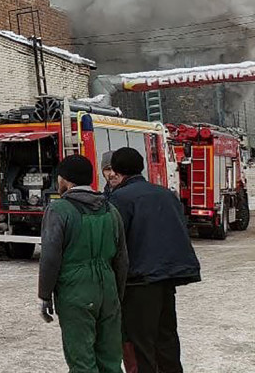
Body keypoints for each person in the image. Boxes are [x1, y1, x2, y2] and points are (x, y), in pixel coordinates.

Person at [108, 147, 201, 373]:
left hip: (138, 282)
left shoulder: (119, 198)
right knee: (166, 339)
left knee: (140, 346)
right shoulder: (166, 194)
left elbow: (115, 242)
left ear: (117, 171)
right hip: (167, 279)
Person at [38, 154, 129, 373]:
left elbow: (50, 258)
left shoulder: (59, 210)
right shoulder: (110, 209)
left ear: (65, 180)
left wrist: (45, 294)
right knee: (111, 359)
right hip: (108, 289)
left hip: (76, 292)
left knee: (82, 361)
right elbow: (122, 259)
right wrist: (116, 294)